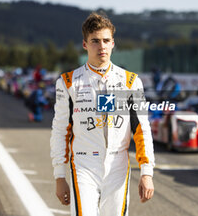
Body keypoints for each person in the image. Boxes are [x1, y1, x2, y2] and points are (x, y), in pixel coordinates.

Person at [50, 12, 155, 216]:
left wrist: (147, 172)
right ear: (85, 44)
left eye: (106, 41)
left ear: (113, 43)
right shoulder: (67, 82)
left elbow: (143, 129)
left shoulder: (132, 82)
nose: (102, 46)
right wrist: (59, 176)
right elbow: (60, 130)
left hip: (118, 165)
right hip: (83, 165)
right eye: (95, 41)